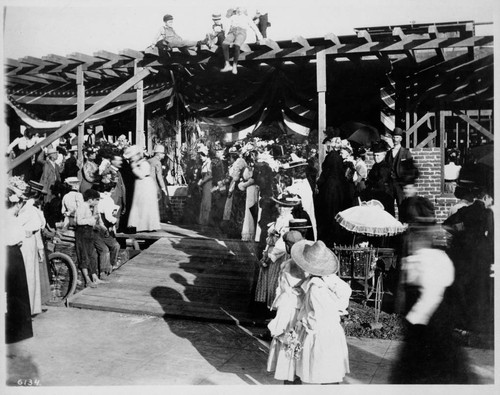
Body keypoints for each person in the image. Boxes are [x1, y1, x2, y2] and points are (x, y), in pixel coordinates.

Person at [390, 200, 477, 384]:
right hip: (435, 327)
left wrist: (412, 319)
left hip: (428, 329)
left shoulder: (422, 261)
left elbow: (423, 299)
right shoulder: (436, 258)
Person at [291, 240, 351, 384]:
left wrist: (302, 321)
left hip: (320, 332)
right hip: (331, 330)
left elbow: (318, 315)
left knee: (317, 370)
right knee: (327, 371)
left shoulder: (316, 288)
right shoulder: (331, 280)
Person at [266, 230, 305, 384]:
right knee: (294, 341)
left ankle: (290, 377)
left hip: (290, 308)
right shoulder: (301, 264)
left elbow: (284, 288)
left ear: (288, 247)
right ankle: (293, 376)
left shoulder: (290, 265)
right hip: (296, 308)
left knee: (288, 340)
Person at [5, 186, 34, 344]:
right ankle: (16, 330)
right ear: (15, 205)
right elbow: (19, 238)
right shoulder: (12, 219)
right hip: (12, 255)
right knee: (16, 291)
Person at [316, 136, 349, 246]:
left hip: (330, 189)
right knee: (336, 212)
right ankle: (336, 238)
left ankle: (329, 239)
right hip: (339, 188)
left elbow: (325, 174)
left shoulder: (331, 156)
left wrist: (318, 183)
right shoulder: (339, 157)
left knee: (329, 213)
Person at [124, 145, 161, 232]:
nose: (132, 159)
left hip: (145, 185)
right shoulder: (139, 163)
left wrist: (133, 167)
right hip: (141, 185)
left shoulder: (143, 163)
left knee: (144, 204)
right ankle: (141, 225)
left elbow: (141, 175)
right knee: (140, 204)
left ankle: (147, 225)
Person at [221, 7, 264, 74]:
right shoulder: (233, 17)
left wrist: (260, 37)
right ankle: (227, 64)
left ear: (243, 11)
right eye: (238, 10)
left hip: (241, 32)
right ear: (236, 11)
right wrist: (226, 35)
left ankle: (235, 65)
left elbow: (254, 27)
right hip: (232, 32)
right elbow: (228, 26)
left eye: (241, 10)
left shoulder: (247, 18)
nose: (239, 11)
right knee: (224, 44)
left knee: (237, 45)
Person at [93, 182, 121, 275]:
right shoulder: (108, 200)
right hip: (101, 229)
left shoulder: (99, 199)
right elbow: (108, 217)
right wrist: (115, 220)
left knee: (113, 246)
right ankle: (109, 268)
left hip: (100, 228)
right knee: (109, 248)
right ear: (112, 189)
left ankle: (110, 267)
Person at [75, 188, 101, 288]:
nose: (97, 202)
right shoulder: (82, 207)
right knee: (84, 255)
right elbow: (79, 221)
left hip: (88, 232)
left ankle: (94, 277)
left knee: (91, 255)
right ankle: (87, 279)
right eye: (96, 200)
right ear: (90, 199)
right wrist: (91, 219)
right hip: (82, 232)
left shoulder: (88, 207)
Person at [362, 140, 395, 215]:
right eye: (374, 155)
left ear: (384, 155)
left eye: (378, 155)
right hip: (376, 196)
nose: (376, 158)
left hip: (383, 197)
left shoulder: (385, 167)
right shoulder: (376, 166)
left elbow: (380, 183)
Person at [386, 127, 413, 213]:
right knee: (389, 207)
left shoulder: (406, 152)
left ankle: (402, 224)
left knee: (402, 206)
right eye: (394, 137)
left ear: (401, 139)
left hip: (400, 184)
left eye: (397, 137)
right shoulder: (389, 153)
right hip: (390, 184)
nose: (395, 139)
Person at [109, 150, 127, 231]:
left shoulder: (118, 172)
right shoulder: (109, 171)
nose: (120, 162)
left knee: (117, 220)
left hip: (119, 199)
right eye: (118, 160)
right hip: (113, 199)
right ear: (112, 161)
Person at [197, 145, 213, 226]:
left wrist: (202, 181)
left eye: (202, 155)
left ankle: (206, 220)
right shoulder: (204, 163)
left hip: (208, 184)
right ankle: (203, 221)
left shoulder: (209, 162)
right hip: (204, 184)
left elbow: (209, 175)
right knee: (204, 201)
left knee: (207, 202)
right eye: (200, 155)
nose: (201, 157)